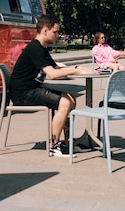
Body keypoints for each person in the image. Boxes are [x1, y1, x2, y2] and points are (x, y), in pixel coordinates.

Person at [10, 14, 98, 157]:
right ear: (45, 30)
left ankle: (68, 142)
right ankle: (54, 145)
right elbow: (52, 74)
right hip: (23, 94)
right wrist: (77, 70)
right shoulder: (35, 48)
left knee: (71, 98)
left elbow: (56, 69)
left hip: (32, 89)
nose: (58, 35)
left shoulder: (42, 48)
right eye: (55, 32)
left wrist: (77, 67)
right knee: (64, 102)